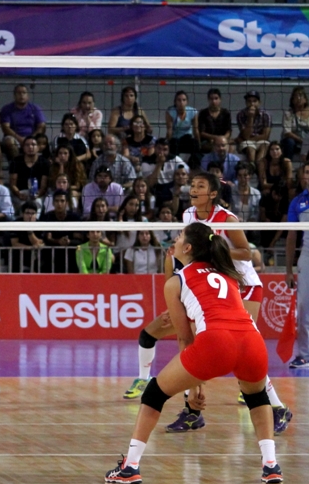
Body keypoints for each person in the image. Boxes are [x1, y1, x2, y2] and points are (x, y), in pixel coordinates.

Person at [105, 222, 283, 484]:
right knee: (257, 398)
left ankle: (130, 467)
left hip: (216, 341)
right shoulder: (227, 273)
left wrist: (193, 390)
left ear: (187, 248)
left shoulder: (177, 281)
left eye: (178, 236)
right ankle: (271, 466)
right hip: (252, 341)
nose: (174, 240)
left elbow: (185, 337)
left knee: (154, 393)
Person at [123, 172, 291, 436]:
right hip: (211, 285)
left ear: (212, 194)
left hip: (243, 285)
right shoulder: (189, 215)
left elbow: (247, 253)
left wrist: (215, 252)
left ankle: (278, 408)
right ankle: (193, 412)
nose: (193, 189)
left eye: (199, 186)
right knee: (201, 347)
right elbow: (187, 254)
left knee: (242, 351)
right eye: (192, 185)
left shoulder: (227, 219)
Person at [285, 162, 309, 369]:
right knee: (303, 307)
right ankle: (304, 355)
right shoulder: (298, 202)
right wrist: (288, 270)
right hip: (307, 256)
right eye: (307, 172)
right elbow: (292, 236)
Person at [0, 84, 45, 159]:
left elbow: (41, 126)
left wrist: (30, 138)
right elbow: (5, 128)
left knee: (42, 141)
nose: (21, 95)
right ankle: (16, 165)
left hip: (33, 137)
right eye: (19, 93)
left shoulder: (35, 108)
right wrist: (20, 139)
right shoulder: (7, 109)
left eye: (24, 93)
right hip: (14, 138)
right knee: (9, 142)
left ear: (28, 95)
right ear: (14, 95)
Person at [7, 136, 49, 210]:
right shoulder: (16, 161)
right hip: (20, 193)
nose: (30, 147)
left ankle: (35, 220)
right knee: (23, 205)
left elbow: (43, 186)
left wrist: (37, 195)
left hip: (37, 194)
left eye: (33, 144)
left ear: (38, 147)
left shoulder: (44, 162)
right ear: (23, 147)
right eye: (27, 145)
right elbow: (12, 184)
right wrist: (19, 194)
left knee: (36, 203)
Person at [235, 90, 272, 163]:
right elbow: (246, 135)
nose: (252, 104)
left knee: (264, 146)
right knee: (250, 148)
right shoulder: (240, 115)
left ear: (259, 103)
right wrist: (250, 117)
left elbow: (265, 136)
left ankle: (257, 167)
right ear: (246, 103)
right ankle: (251, 167)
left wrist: (248, 139)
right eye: (249, 101)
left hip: (260, 141)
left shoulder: (266, 115)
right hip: (247, 142)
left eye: (254, 101)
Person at [9, 202, 44, 272]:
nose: (30, 216)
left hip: (35, 254)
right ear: (22, 214)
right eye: (27, 213)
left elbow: (40, 243)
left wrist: (29, 230)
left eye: (33, 213)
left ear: (36, 214)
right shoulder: (15, 224)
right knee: (15, 254)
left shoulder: (40, 224)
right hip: (21, 253)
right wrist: (30, 248)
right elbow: (14, 244)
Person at [165, 90, 200, 159]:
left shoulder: (192, 112)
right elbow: (169, 130)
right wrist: (166, 143)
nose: (181, 102)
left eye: (184, 100)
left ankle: (193, 164)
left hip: (187, 138)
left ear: (187, 102)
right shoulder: (170, 112)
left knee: (195, 144)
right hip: (175, 139)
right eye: (179, 100)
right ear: (175, 102)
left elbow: (196, 130)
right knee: (173, 144)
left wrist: (199, 144)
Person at [198, 88, 232, 153]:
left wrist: (222, 139)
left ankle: (226, 163)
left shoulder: (226, 113)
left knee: (231, 148)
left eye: (216, 98)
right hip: (207, 142)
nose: (214, 101)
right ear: (208, 100)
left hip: (223, 141)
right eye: (211, 99)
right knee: (215, 148)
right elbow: (202, 132)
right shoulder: (203, 113)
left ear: (220, 99)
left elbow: (229, 131)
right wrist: (215, 138)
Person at [281, 86, 309, 160]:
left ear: (305, 99)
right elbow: (287, 132)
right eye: (296, 96)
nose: (298, 98)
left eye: (301, 96)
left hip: (307, 141)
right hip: (295, 141)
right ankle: (287, 164)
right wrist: (302, 140)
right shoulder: (289, 114)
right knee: (289, 142)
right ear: (292, 100)